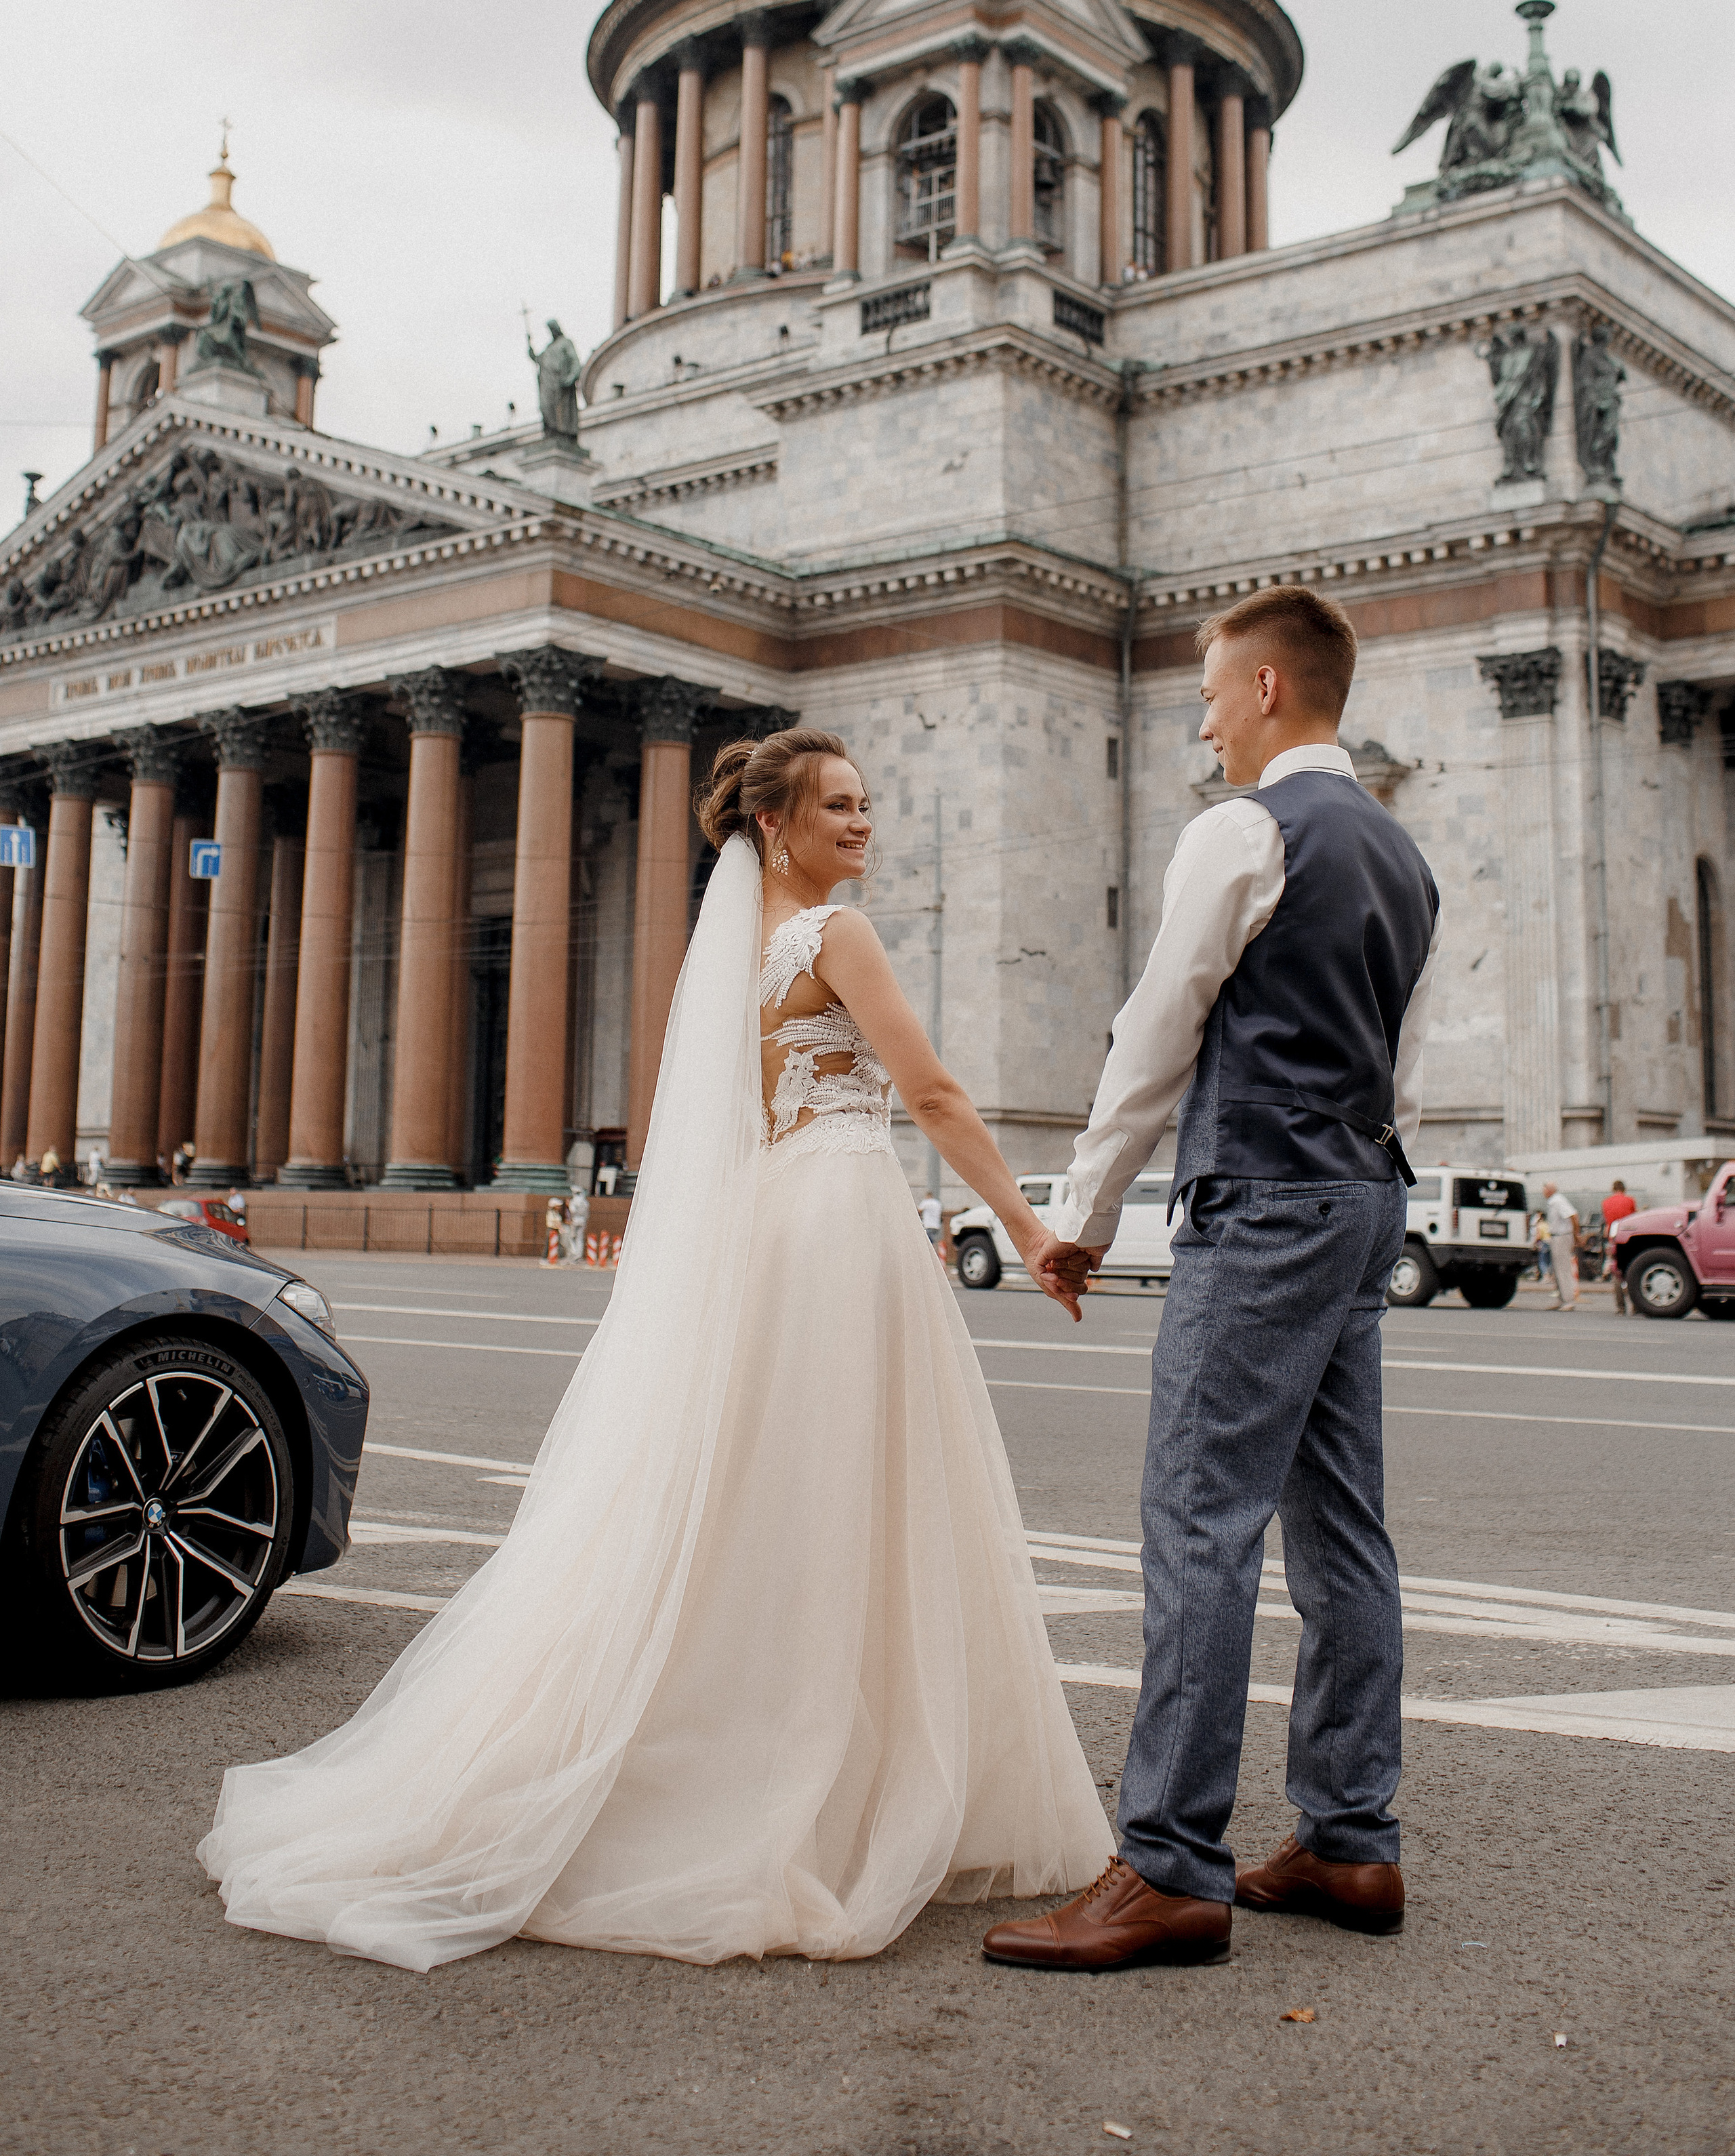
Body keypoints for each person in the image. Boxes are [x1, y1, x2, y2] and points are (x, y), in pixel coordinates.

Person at [200, 726, 1109, 1970]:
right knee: (850, 1504)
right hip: (843, 1230)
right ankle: (832, 1778)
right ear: (777, 829)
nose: (863, 823)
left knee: (767, 1503)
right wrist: (1030, 1223)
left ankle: (775, 1755)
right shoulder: (838, 939)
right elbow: (937, 1093)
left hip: (777, 1228)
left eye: (867, 803)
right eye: (839, 806)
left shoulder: (728, 959)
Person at [983, 586, 1438, 1972]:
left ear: (1262, 693)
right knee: (1340, 1521)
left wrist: (1080, 1210)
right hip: (1362, 1190)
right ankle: (1349, 1840)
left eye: (1204, 694)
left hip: (1262, 1198)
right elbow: (1395, 1063)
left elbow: (1153, 1032)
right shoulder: (1400, 854)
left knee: (1197, 1517)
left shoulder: (1241, 830)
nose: (1196, 719)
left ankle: (1168, 1865)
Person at [1544, 1181, 1581, 1311]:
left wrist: (1576, 1235)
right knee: (1557, 1269)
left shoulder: (1558, 1201)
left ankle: (1569, 1301)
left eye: (1545, 1189)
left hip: (1562, 1236)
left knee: (1563, 1269)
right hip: (1556, 1237)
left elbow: (1573, 1215)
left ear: (1550, 1190)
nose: (1543, 1192)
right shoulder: (1553, 1202)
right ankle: (1561, 1299)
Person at [1601, 1179, 1636, 1315]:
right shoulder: (1630, 1200)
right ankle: (1635, 1306)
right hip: (1629, 1237)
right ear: (1624, 1189)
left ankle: (1620, 1307)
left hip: (1613, 1239)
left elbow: (1607, 1222)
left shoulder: (1605, 1202)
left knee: (1617, 1272)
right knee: (1632, 1271)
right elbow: (1634, 1217)